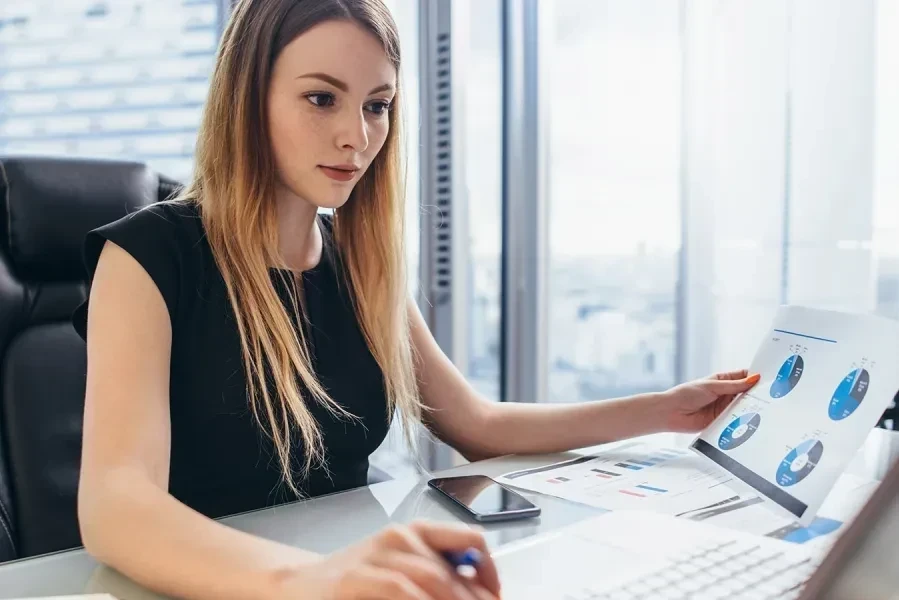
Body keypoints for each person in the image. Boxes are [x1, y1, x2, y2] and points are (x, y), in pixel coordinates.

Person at [72, 0, 761, 598]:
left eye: (377, 105)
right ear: (247, 98)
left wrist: (664, 410)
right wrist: (308, 583)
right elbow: (117, 505)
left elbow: (476, 424)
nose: (357, 135)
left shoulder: (358, 261)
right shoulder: (147, 257)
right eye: (321, 98)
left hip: (346, 576)